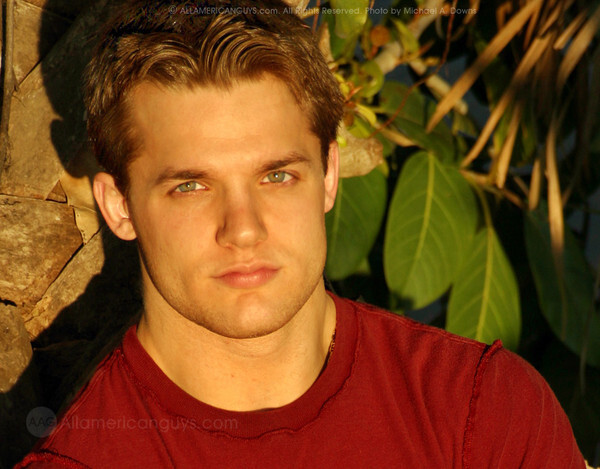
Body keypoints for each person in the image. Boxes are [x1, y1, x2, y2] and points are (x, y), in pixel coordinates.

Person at [17, 0, 586, 467]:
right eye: (191, 186)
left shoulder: (483, 416)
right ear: (119, 206)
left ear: (329, 175)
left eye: (277, 176)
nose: (244, 229)